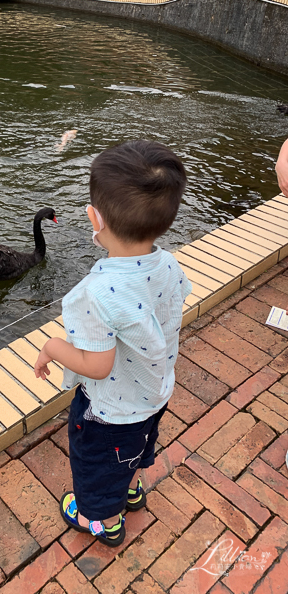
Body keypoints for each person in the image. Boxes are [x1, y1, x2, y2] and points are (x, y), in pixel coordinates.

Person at [34, 140, 191, 546]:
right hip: (155, 392)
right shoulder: (170, 264)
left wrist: (53, 346)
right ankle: (132, 489)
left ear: (94, 218)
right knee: (138, 446)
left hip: (111, 410)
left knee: (96, 463)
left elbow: (98, 366)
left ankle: (100, 520)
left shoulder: (97, 292)